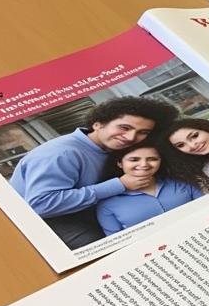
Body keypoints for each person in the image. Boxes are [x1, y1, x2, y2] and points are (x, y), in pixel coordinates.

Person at [9, 97, 177, 249]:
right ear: (98, 124)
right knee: (108, 249)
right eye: (124, 127)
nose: (131, 137)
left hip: (85, 210)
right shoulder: (62, 153)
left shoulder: (111, 147)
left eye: (143, 132)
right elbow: (41, 204)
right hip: (42, 223)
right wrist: (120, 184)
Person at [95, 145, 201, 236]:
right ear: (120, 163)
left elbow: (207, 208)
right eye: (134, 160)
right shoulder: (106, 203)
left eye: (152, 159)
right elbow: (115, 242)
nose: (144, 164)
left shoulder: (183, 182)